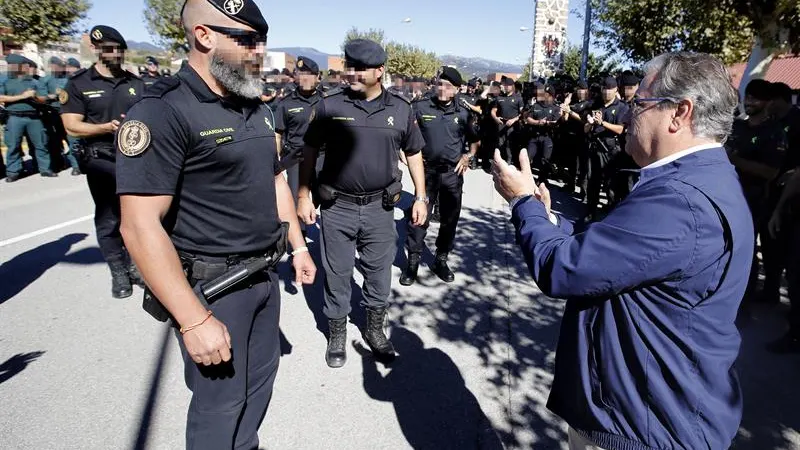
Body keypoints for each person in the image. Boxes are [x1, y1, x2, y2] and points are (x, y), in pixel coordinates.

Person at [493, 51, 753, 450]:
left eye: (640, 104)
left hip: (642, 423)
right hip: (648, 412)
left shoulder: (680, 200)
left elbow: (563, 268)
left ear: (679, 113)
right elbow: (617, 249)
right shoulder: (696, 180)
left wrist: (523, 203)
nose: (629, 115)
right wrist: (549, 220)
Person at [117, 1, 316, 449]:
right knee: (219, 408)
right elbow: (139, 225)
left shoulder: (256, 105)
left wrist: (298, 247)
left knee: (256, 392)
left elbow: (275, 180)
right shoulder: (163, 110)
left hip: (264, 275)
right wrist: (192, 320)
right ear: (204, 36)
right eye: (246, 40)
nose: (258, 51)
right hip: (215, 289)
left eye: (262, 40)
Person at [297, 38, 428, 368]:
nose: (350, 73)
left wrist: (421, 197)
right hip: (337, 207)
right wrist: (303, 195)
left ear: (379, 71)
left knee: (379, 275)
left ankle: (374, 331)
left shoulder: (401, 109)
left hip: (380, 209)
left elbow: (413, 154)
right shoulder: (329, 107)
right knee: (338, 274)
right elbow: (309, 151)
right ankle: (337, 333)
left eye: (358, 68)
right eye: (348, 66)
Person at [60, 26, 146, 298]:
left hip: (136, 158)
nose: (114, 53)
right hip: (101, 159)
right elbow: (72, 126)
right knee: (109, 218)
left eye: (118, 48)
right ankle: (118, 272)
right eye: (108, 48)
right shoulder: (79, 84)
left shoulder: (135, 84)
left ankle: (135, 266)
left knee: (136, 216)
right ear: (97, 50)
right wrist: (106, 127)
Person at [399, 67, 479, 286]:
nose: (443, 89)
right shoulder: (419, 107)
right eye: (440, 84)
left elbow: (474, 140)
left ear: (456, 89)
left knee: (450, 219)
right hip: (426, 174)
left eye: (448, 86)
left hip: (453, 174)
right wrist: (401, 151)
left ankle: (440, 259)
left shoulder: (463, 112)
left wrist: (468, 156)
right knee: (418, 217)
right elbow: (404, 133)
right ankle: (413, 261)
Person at [726, 79, 787, 305]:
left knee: (745, 254)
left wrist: (735, 160)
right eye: (748, 96)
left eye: (755, 98)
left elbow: (770, 172)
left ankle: (744, 303)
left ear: (768, 102)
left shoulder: (774, 133)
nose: (749, 102)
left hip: (755, 202)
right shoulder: (737, 127)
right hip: (728, 196)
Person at [274, 56, 322, 206]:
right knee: (296, 202)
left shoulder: (327, 101)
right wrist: (276, 162)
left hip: (322, 157)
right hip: (296, 157)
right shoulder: (286, 103)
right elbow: (277, 134)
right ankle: (300, 230)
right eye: (302, 75)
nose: (305, 79)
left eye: (309, 75)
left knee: (324, 199)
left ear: (318, 77)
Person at [0, 53, 54, 181]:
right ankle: (13, 171)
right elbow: (1, 98)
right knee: (13, 145)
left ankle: (45, 169)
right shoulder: (4, 80)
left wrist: (35, 97)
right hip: (14, 117)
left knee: (41, 144)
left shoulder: (34, 82)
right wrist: (22, 97)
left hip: (34, 118)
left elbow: (44, 98)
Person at [584, 76, 628, 221]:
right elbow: (585, 129)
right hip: (595, 147)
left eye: (610, 89)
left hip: (611, 150)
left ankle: (612, 213)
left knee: (611, 184)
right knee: (593, 181)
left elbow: (620, 129)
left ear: (615, 90)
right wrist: (590, 123)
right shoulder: (595, 104)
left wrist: (602, 122)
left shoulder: (621, 107)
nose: (606, 92)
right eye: (604, 89)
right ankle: (591, 211)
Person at [42, 56, 81, 176]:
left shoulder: (71, 79)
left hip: (69, 112)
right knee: (54, 141)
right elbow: (41, 96)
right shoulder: (46, 80)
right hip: (53, 113)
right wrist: (51, 96)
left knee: (73, 140)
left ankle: (76, 165)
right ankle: (57, 164)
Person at [560, 80, 593, 198]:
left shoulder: (590, 103)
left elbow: (584, 120)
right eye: (578, 89)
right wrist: (566, 105)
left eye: (582, 89)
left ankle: (583, 191)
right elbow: (564, 118)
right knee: (571, 163)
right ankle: (570, 184)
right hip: (571, 135)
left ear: (587, 90)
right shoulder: (573, 102)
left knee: (584, 165)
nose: (579, 91)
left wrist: (570, 111)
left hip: (584, 137)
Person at [523, 83, 561, 184]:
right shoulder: (536, 105)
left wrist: (548, 123)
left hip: (547, 137)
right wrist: (538, 122)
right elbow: (528, 118)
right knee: (528, 157)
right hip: (534, 136)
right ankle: (526, 177)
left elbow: (557, 123)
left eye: (545, 93)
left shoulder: (555, 108)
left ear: (550, 95)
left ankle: (541, 179)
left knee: (545, 160)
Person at [491, 77, 523, 164]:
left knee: (510, 144)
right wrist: (496, 118)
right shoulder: (499, 98)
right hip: (501, 123)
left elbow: (522, 114)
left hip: (512, 125)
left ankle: (510, 161)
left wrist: (513, 120)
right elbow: (493, 111)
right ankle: (500, 162)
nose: (506, 87)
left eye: (508, 85)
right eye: (505, 85)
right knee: (500, 143)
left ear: (512, 86)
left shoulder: (518, 98)